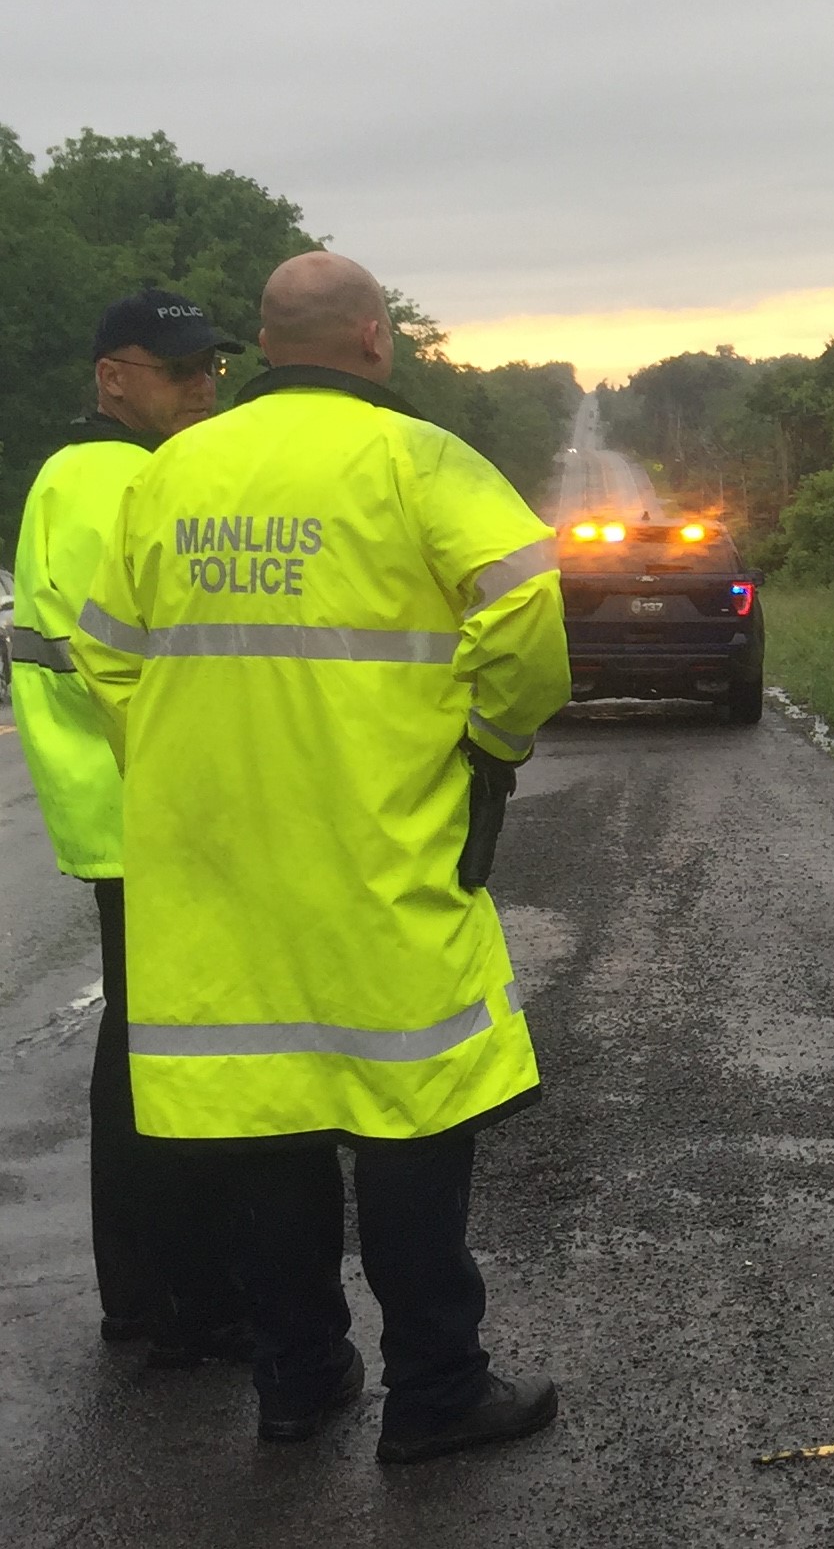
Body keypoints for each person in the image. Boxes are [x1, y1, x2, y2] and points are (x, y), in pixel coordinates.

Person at [71, 251, 570, 1462]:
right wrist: (485, 740)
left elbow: (103, 652)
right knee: (409, 1123)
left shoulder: (171, 472)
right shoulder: (416, 461)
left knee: (270, 1134)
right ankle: (437, 1392)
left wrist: (195, 756)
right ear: (374, 342)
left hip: (219, 868)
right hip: (377, 853)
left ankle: (300, 1381)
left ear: (258, 344)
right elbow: (527, 613)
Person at [8, 288, 251, 1365]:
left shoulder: (89, 472)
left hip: (126, 800)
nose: (202, 388)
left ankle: (154, 1292)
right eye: (180, 369)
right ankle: (175, 1300)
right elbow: (160, 655)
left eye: (212, 370)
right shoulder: (115, 479)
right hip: (146, 798)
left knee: (145, 1042)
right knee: (165, 1052)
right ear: (115, 375)